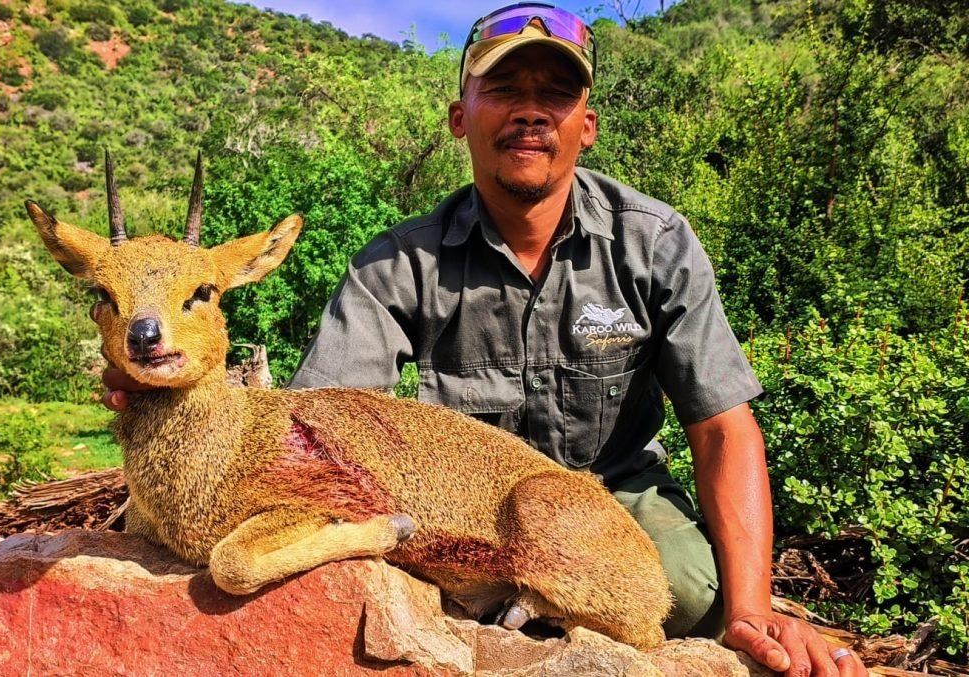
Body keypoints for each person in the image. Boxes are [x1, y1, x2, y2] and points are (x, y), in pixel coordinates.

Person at [103, 3, 868, 675]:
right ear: (460, 117)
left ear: (586, 123)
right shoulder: (396, 263)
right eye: (503, 88)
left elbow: (724, 428)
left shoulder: (654, 241)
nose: (530, 111)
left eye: (556, 92)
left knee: (690, 592)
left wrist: (754, 609)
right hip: (460, 493)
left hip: (617, 487)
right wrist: (165, 396)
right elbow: (321, 424)